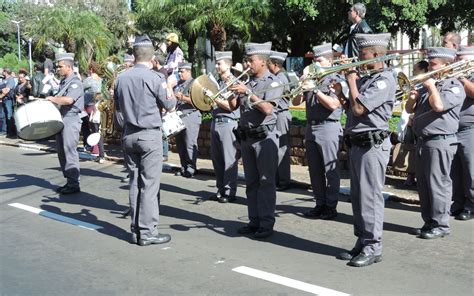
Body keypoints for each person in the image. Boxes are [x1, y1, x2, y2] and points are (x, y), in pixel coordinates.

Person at [334, 33, 395, 267]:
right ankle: (362, 241)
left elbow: (360, 108)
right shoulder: (367, 79)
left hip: (373, 145)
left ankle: (373, 246)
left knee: (370, 197)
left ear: (377, 55)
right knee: (358, 197)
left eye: (362, 54)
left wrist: (351, 78)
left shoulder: (384, 80)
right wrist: (343, 89)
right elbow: (351, 106)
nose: (358, 58)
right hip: (358, 144)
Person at [114, 35, 176, 246]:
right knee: (149, 185)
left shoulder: (121, 78)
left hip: (128, 134)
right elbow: (170, 104)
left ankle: (135, 230)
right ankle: (148, 232)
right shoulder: (155, 78)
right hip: (149, 135)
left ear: (134, 55)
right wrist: (169, 84)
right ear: (151, 58)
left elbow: (118, 110)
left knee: (134, 183)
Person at [405, 47, 465, 239]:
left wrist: (430, 87)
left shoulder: (454, 86)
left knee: (438, 184)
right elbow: (409, 109)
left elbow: (439, 106)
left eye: (433, 64)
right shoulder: (428, 85)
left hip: (440, 141)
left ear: (447, 66)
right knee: (423, 184)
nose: (429, 67)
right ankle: (429, 221)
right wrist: (412, 98)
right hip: (423, 141)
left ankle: (441, 224)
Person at [228, 41, 283, 239]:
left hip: (264, 138)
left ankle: (266, 224)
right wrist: (232, 91)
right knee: (251, 183)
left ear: (263, 62)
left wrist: (249, 93)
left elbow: (268, 109)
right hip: (247, 138)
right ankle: (254, 221)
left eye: (251, 61)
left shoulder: (273, 82)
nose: (248, 64)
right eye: (247, 60)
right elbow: (233, 106)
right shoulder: (248, 82)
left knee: (265, 182)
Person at [292, 43, 343, 221]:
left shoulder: (336, 79)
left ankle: (331, 206)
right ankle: (319, 203)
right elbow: (297, 101)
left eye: (319, 59)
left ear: (329, 61)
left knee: (330, 169)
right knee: (315, 170)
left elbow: (333, 104)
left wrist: (314, 89)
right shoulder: (312, 77)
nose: (316, 62)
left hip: (329, 126)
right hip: (311, 127)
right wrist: (301, 85)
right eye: (314, 59)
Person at [46, 52, 84, 195]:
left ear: (68, 67)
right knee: (62, 151)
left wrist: (52, 99)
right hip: (62, 118)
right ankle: (69, 181)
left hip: (70, 118)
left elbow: (68, 100)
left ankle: (74, 183)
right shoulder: (64, 82)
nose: (58, 68)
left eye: (60, 66)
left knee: (69, 151)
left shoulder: (75, 82)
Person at [208, 51, 241, 203]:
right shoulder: (218, 82)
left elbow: (230, 107)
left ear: (228, 65)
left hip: (228, 122)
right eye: (216, 63)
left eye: (219, 63)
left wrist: (214, 99)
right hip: (216, 121)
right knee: (217, 159)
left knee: (229, 160)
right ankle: (221, 189)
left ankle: (229, 191)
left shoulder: (233, 82)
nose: (216, 66)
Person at [450, 46, 474, 221]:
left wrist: (463, 79)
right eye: (457, 59)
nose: (457, 62)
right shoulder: (452, 76)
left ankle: (471, 205)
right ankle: (457, 202)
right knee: (454, 170)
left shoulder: (467, 77)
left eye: (461, 60)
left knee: (470, 170)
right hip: (452, 129)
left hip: (470, 130)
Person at [268, 50, 292, 191]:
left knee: (281, 149)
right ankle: (278, 179)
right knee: (276, 149)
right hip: (278, 114)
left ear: (276, 64)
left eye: (269, 63)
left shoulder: (280, 78)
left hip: (281, 114)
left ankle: (283, 181)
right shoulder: (278, 77)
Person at [173, 62, 201, 178]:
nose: (180, 73)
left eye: (182, 71)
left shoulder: (195, 84)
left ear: (189, 72)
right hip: (179, 116)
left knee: (190, 143)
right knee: (180, 144)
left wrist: (183, 98)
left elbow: (199, 101)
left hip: (191, 115)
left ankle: (191, 167)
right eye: (179, 71)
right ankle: (183, 166)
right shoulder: (179, 84)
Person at [81, 61, 103, 151]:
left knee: (86, 127)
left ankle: (91, 146)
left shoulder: (88, 80)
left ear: (91, 69)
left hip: (88, 106)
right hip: (99, 106)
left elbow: (80, 89)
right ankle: (97, 149)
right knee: (97, 128)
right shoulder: (101, 80)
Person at [1, 68, 17, 138]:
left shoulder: (10, 79)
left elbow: (6, 90)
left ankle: (11, 133)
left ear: (6, 72)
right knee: (3, 116)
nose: (2, 72)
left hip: (8, 100)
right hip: (4, 99)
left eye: (3, 71)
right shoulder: (4, 80)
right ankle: (5, 131)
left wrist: (0, 96)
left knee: (9, 116)